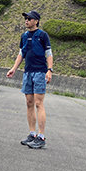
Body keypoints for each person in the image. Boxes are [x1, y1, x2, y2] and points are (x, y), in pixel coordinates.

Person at [6, 10, 53, 149]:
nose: (26, 20)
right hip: (28, 72)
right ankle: (32, 134)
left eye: (29, 18)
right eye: (26, 18)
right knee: (29, 103)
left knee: (39, 103)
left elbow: (49, 54)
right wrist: (14, 68)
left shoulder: (42, 35)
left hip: (40, 72)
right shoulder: (24, 36)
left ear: (36, 21)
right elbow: (21, 53)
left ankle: (41, 136)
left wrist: (49, 70)